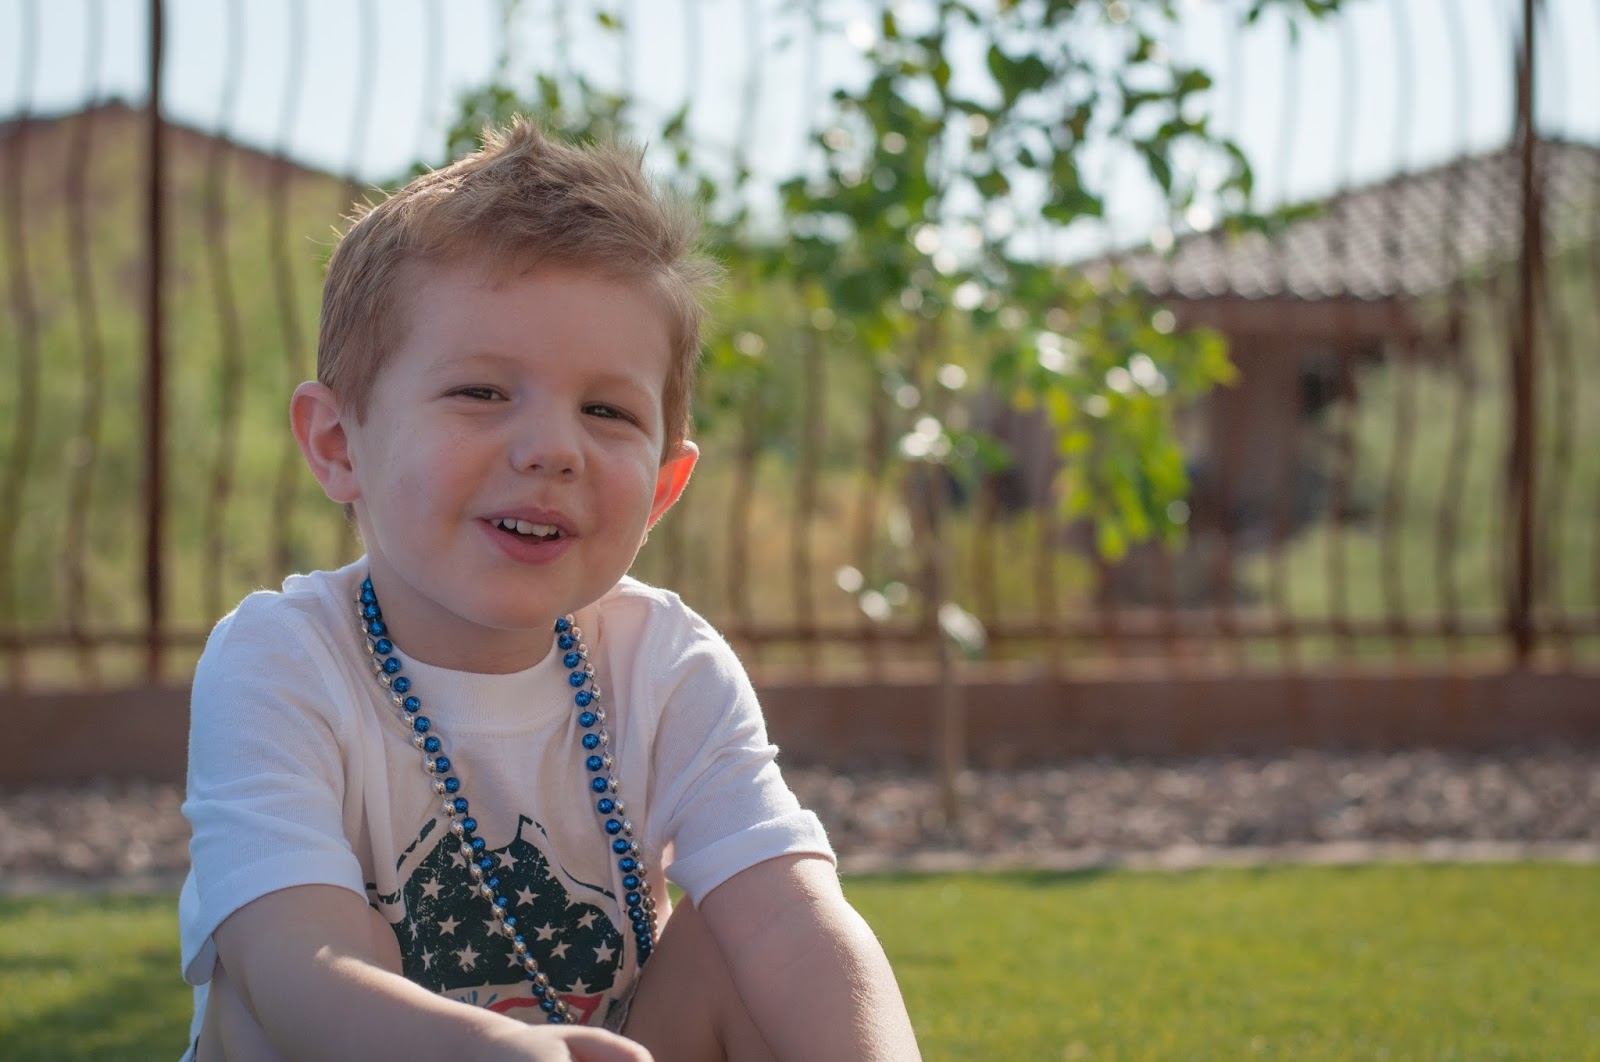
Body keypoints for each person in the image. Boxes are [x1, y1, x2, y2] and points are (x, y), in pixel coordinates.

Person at [178, 118, 922, 1062]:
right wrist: (481, 1052)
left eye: (606, 410)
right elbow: (295, 963)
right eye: (482, 393)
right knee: (267, 981)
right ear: (338, 445)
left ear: (661, 490)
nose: (551, 448)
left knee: (748, 939)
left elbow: (792, 917)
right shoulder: (283, 660)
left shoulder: (665, 664)